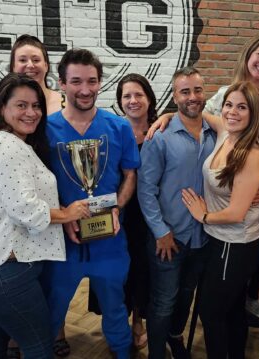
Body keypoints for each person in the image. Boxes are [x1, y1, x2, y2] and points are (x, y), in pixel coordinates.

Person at [0, 73, 89, 358]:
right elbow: (25, 210)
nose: (31, 113)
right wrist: (67, 214)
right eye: (21, 105)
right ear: (2, 107)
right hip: (5, 273)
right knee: (39, 347)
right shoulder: (7, 145)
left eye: (36, 106)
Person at [42, 48, 140, 359]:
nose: (85, 89)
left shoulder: (119, 126)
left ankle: (122, 352)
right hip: (62, 241)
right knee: (53, 307)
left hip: (109, 238)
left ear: (100, 83)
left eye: (92, 81)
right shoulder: (45, 129)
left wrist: (116, 209)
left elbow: (129, 174)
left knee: (115, 307)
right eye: (76, 81)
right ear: (61, 83)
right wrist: (62, 215)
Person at [180, 81, 259, 358]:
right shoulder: (225, 132)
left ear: (253, 113)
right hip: (220, 241)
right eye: (229, 105)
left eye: (242, 107)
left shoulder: (251, 153)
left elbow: (236, 213)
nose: (232, 112)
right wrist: (166, 116)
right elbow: (197, 113)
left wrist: (202, 215)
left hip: (235, 243)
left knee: (212, 312)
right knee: (230, 311)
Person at [138, 67, 217, 359]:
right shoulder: (160, 137)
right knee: (164, 301)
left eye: (197, 90)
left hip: (203, 238)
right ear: (174, 96)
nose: (192, 97)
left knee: (186, 296)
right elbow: (146, 189)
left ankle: (175, 337)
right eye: (185, 91)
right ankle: (156, 353)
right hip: (169, 238)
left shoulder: (216, 135)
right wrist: (161, 232)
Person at [88, 73, 157, 349]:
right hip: (116, 208)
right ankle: (117, 322)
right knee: (116, 270)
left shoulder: (160, 128)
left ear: (149, 98)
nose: (133, 100)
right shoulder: (112, 130)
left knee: (143, 268)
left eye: (138, 94)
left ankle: (139, 320)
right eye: (126, 96)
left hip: (149, 211)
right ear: (119, 102)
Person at [0, 34, 63, 134]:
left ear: (46, 66)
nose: (30, 65)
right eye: (22, 60)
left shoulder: (64, 103)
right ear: (13, 67)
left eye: (36, 60)